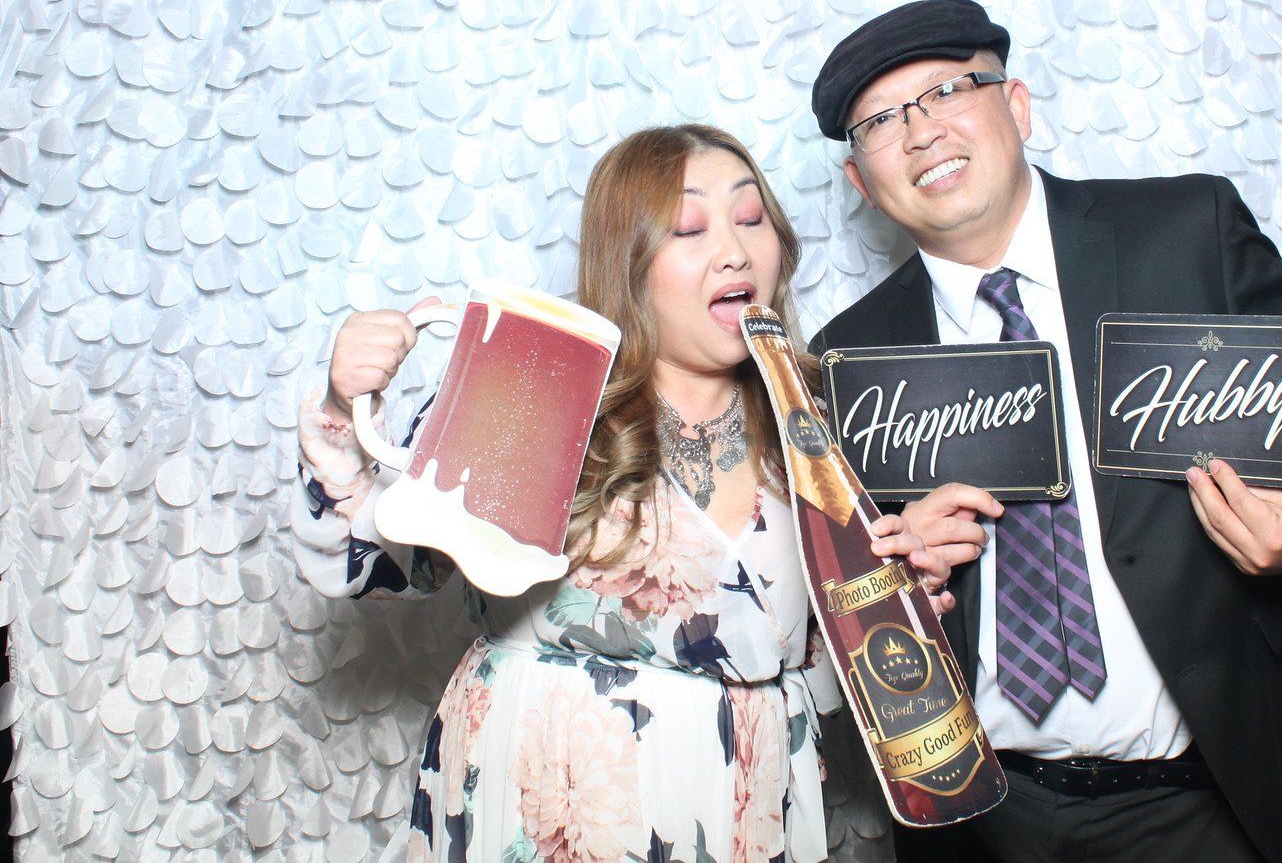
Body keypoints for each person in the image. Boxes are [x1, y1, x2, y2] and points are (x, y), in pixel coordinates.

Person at [807, 0, 1282, 862]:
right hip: (978, 815)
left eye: (946, 92)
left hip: (1204, 799)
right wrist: (891, 578)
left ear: (1016, 106)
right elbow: (845, 606)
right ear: (861, 180)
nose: (921, 132)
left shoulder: (1186, 233)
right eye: (881, 122)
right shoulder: (847, 358)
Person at [292, 125, 950, 862]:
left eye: (752, 218)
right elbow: (367, 568)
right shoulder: (540, 395)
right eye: (690, 227)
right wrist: (342, 404)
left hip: (744, 811)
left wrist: (897, 588)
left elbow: (814, 671)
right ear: (627, 262)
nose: (733, 249)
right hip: (549, 800)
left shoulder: (823, 425)